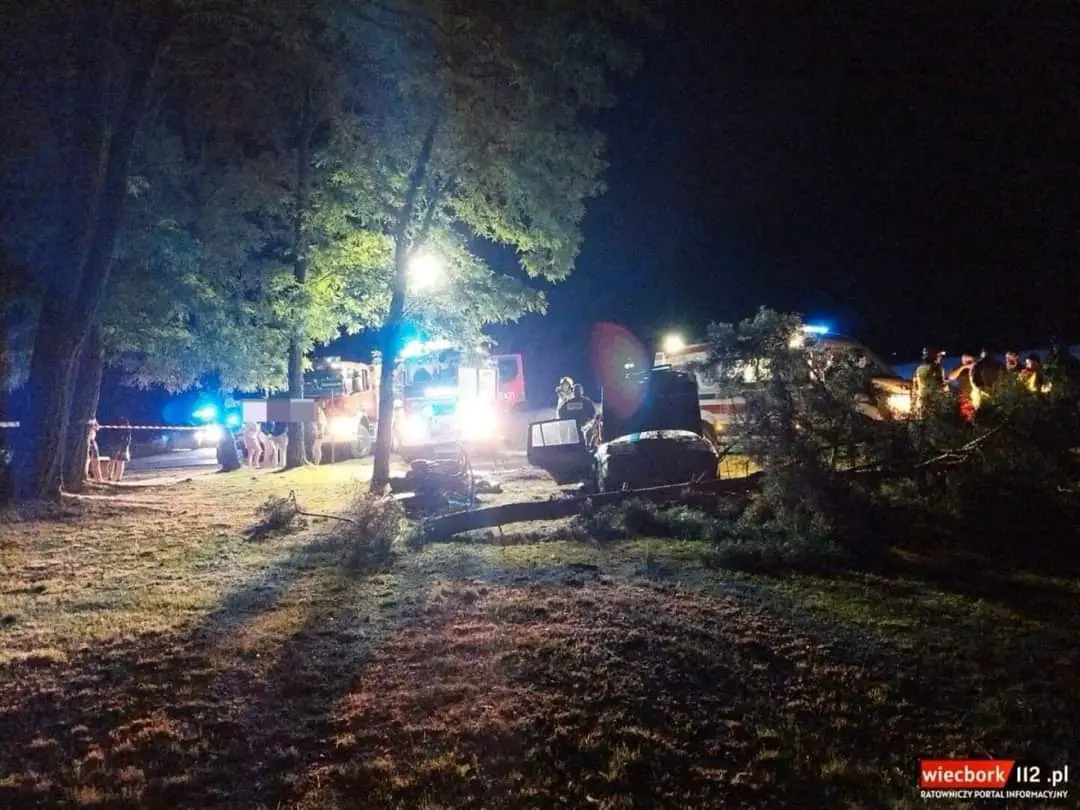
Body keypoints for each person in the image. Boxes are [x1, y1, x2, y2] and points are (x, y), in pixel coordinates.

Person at [912, 348, 947, 417]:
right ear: (934, 357)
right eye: (939, 356)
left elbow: (915, 386)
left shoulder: (918, 369)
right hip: (935, 400)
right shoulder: (938, 368)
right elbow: (942, 384)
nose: (940, 358)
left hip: (922, 400)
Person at [947, 354, 977, 423]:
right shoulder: (960, 368)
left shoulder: (977, 366)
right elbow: (951, 377)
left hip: (977, 397)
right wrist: (964, 367)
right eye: (965, 360)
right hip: (966, 398)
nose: (968, 362)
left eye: (969, 360)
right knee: (967, 419)